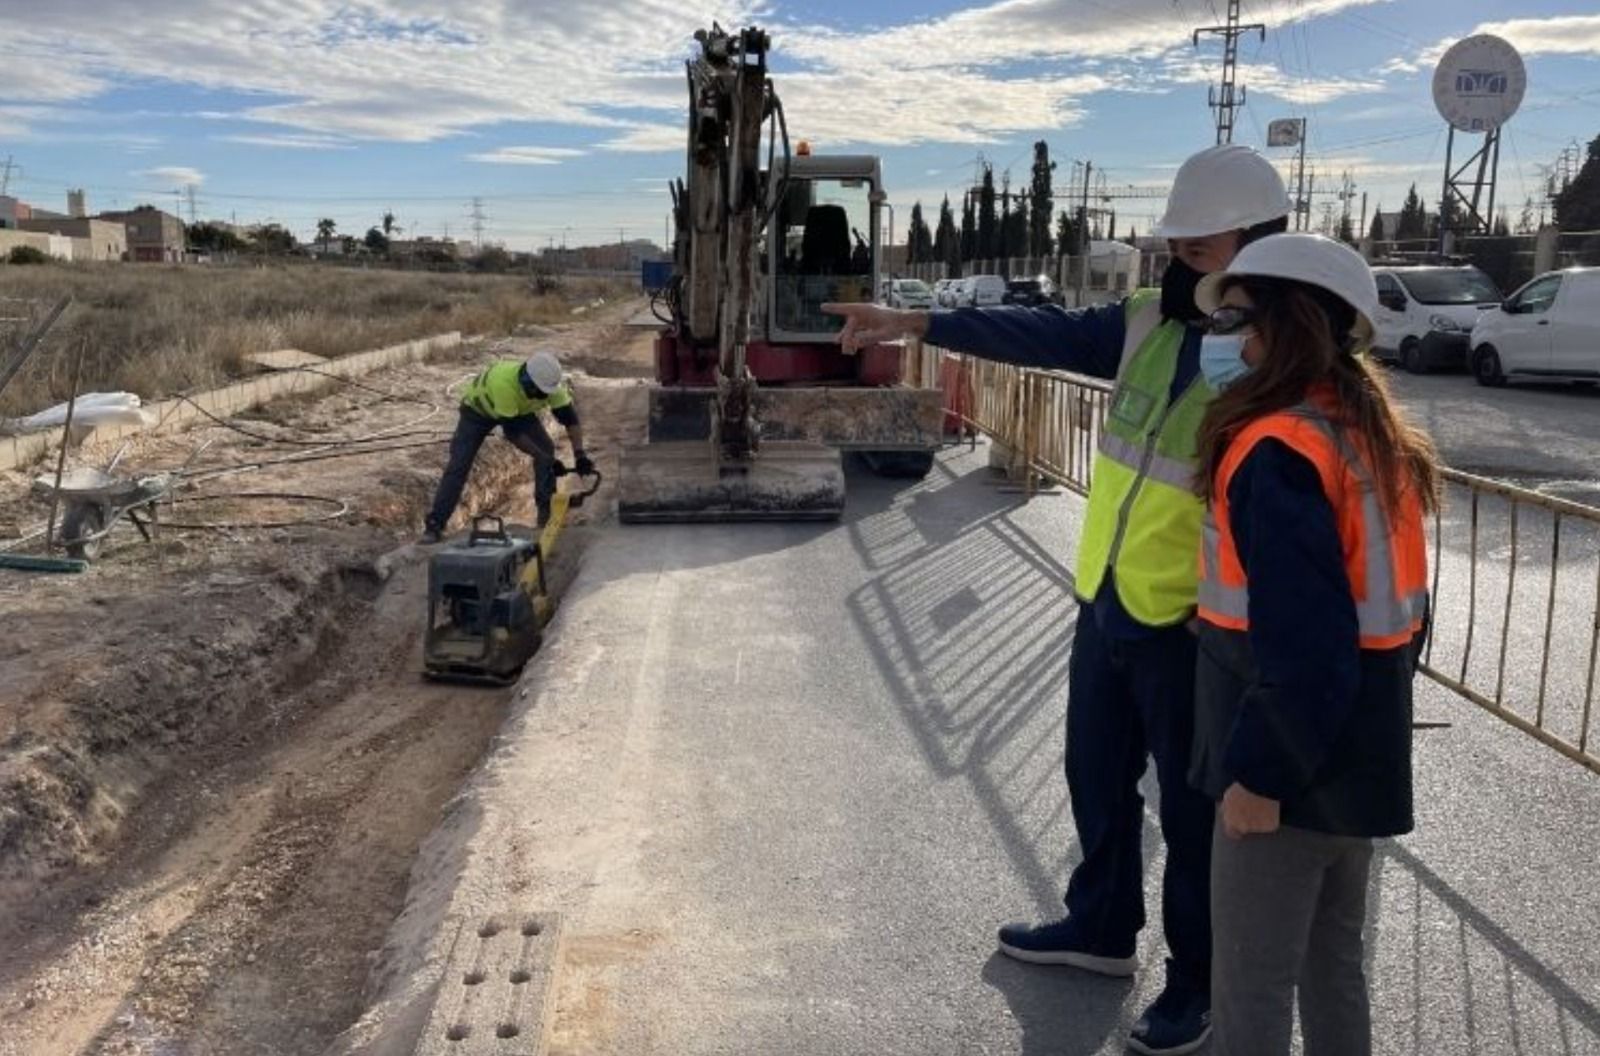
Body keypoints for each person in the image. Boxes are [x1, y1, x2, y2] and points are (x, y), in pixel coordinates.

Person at [824, 144, 1291, 1056]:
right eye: (1181, 235)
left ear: (1260, 238)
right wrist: (912, 321)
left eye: (1208, 234)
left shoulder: (1277, 354)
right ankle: (1101, 930)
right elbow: (1041, 334)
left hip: (1198, 619)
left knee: (1191, 817)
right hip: (1109, 592)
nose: (1186, 248)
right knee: (1095, 774)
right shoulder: (1150, 317)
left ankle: (1198, 981)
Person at [1186, 233, 1436, 1055]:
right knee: (1334, 970)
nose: (1225, 338)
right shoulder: (1360, 432)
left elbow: (1306, 643)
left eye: (1237, 318)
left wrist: (1259, 777)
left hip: (1287, 771)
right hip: (1360, 752)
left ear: (1287, 326)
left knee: (1251, 992)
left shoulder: (1278, 451)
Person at [421, 350, 594, 543]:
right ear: (528, 381)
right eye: (540, 392)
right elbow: (513, 433)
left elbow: (571, 421)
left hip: (518, 411)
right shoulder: (505, 385)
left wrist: (580, 455)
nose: (543, 396)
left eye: (546, 393)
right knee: (459, 465)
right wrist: (545, 459)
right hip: (477, 413)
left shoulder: (551, 389)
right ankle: (435, 524)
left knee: (546, 448)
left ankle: (546, 513)